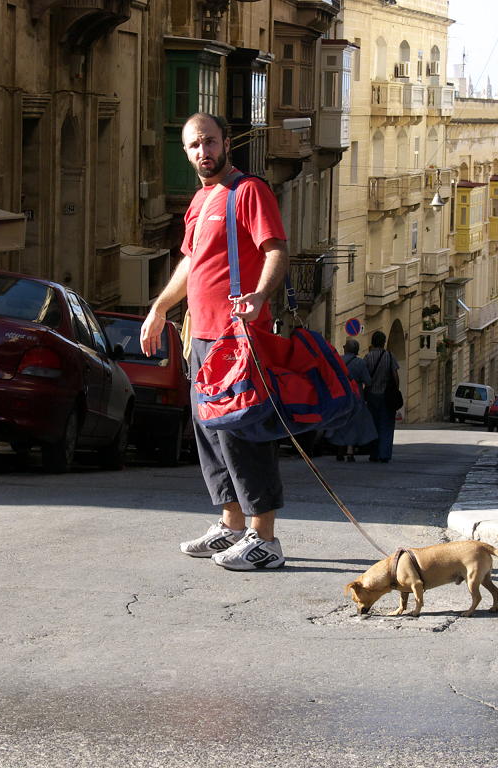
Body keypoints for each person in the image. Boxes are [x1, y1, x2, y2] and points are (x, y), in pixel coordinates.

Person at [139, 113, 289, 571]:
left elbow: (276, 248)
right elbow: (190, 263)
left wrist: (260, 295)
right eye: (193, 145)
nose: (203, 151)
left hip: (235, 337)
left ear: (227, 143)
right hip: (200, 336)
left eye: (209, 141)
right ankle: (231, 525)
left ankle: (265, 537)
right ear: (186, 153)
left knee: (242, 432)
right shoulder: (200, 201)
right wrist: (160, 307)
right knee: (210, 434)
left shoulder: (248, 192)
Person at [325, 338, 377, 461]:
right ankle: (350, 452)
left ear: (346, 348)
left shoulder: (338, 361)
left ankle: (340, 451)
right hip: (356, 395)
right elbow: (368, 381)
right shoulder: (360, 363)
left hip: (340, 394)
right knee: (353, 424)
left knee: (340, 422)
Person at [363, 330, 399, 463]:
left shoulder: (367, 357)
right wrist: (395, 390)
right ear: (384, 342)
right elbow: (395, 376)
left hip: (372, 395)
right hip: (386, 396)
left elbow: (365, 377)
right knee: (386, 425)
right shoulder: (390, 356)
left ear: (372, 342)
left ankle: (374, 454)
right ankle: (384, 454)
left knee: (373, 425)